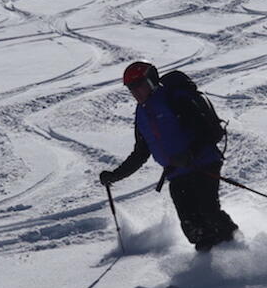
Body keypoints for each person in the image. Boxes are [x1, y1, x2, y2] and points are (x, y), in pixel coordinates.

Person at [99, 61, 238, 252]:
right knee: (191, 225)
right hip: (177, 172)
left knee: (208, 211)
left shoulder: (174, 99)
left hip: (203, 163)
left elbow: (206, 131)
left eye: (139, 85)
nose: (136, 92)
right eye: (131, 88)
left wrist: (190, 154)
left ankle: (237, 246)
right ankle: (209, 258)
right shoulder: (141, 114)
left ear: (151, 81)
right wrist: (115, 175)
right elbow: (141, 153)